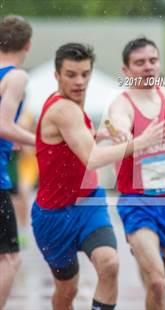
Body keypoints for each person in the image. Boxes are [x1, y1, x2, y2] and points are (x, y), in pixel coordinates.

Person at [31, 43, 165, 310]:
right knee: (67, 290)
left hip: (88, 204)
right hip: (54, 215)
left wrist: (99, 134)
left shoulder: (74, 107)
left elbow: (73, 142)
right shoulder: (64, 109)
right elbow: (93, 159)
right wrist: (141, 142)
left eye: (85, 74)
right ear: (56, 75)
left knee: (110, 264)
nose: (80, 81)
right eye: (71, 74)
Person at [108, 37, 165, 310]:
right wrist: (132, 138)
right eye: (139, 63)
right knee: (157, 284)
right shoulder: (121, 105)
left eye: (152, 61)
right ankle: (151, 258)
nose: (148, 67)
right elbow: (120, 131)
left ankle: (163, 260)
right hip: (138, 204)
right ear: (126, 71)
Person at [0, 15, 35, 308]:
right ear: (28, 44)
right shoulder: (16, 76)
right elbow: (3, 124)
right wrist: (44, 142)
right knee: (10, 258)